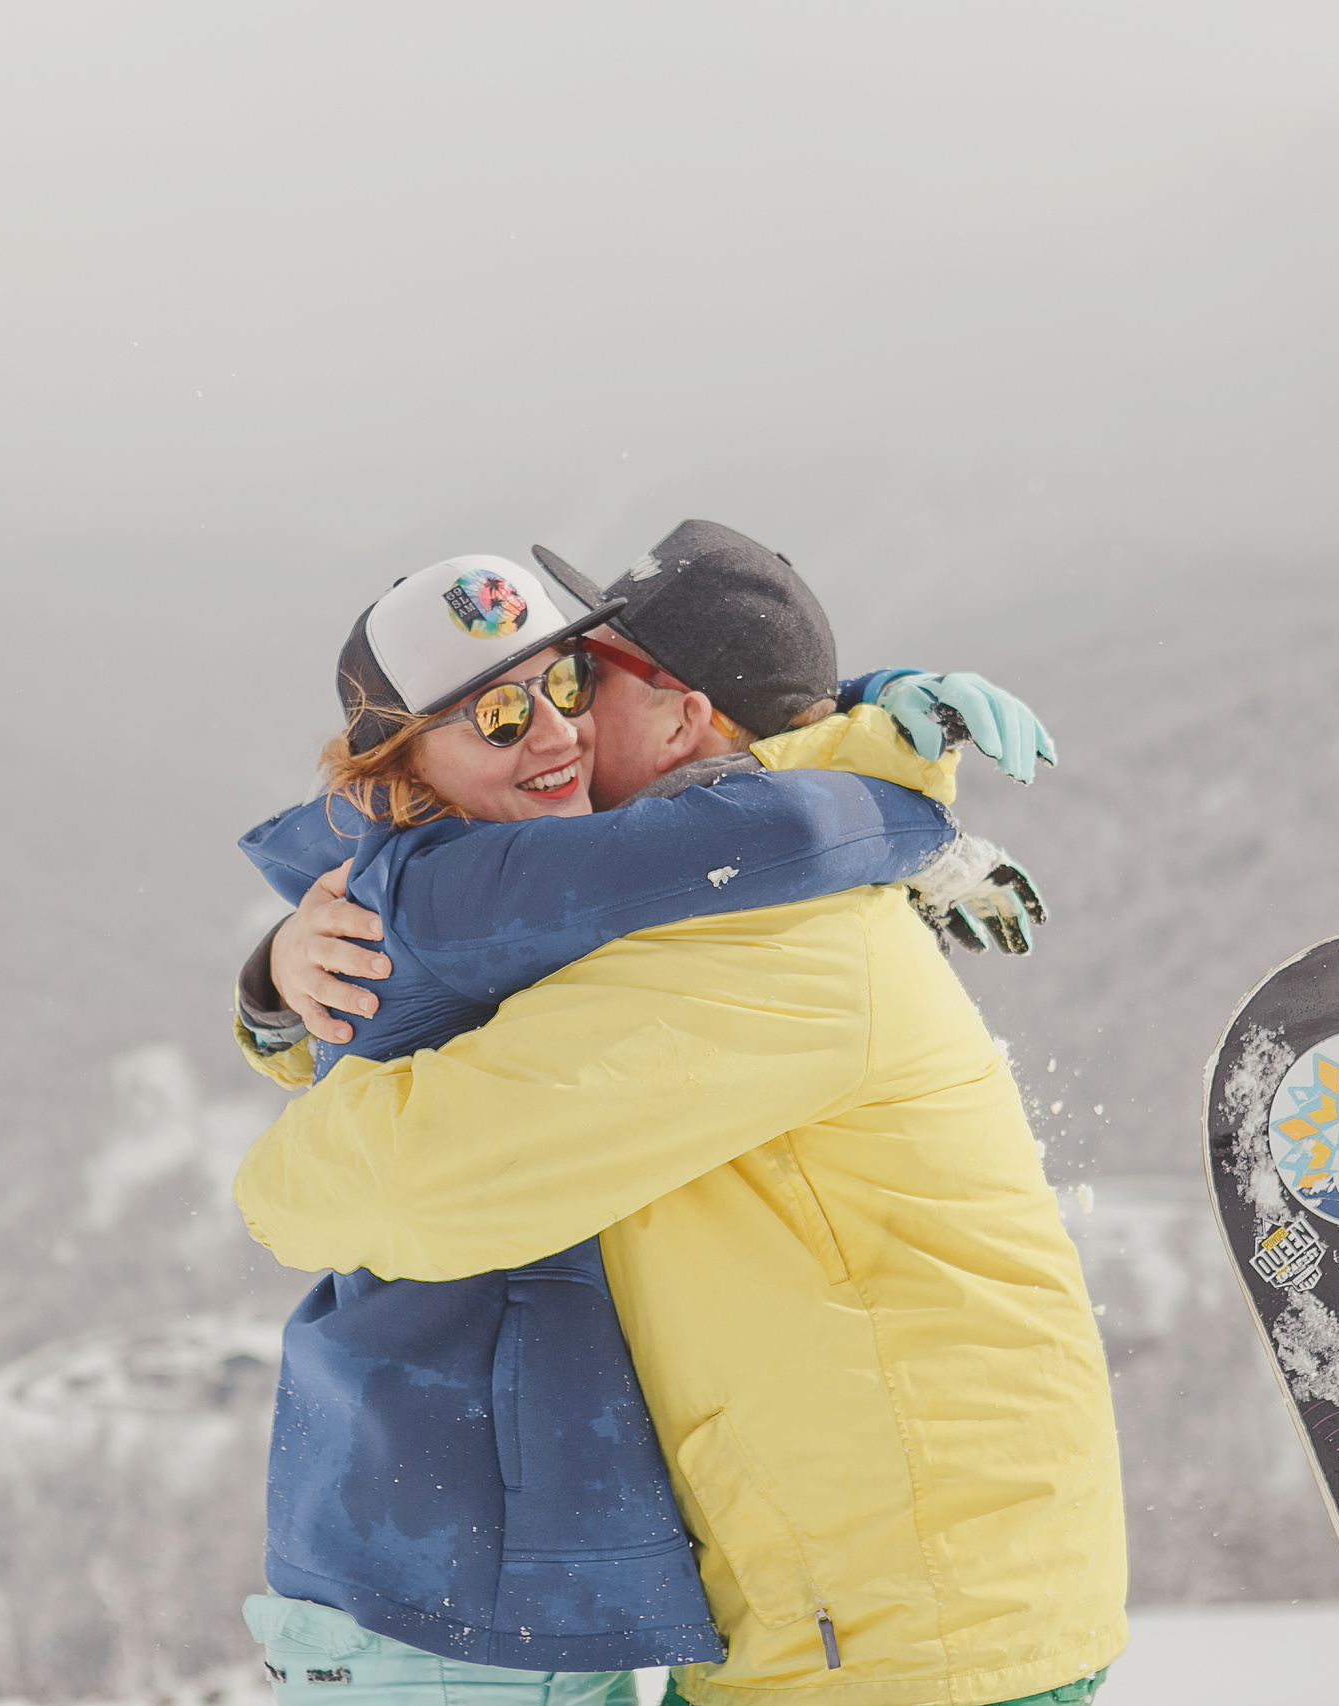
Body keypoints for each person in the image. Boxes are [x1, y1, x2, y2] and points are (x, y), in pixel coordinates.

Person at [237, 523, 1128, 1706]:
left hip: (904, 1636)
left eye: (573, 677)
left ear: (678, 714)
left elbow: (409, 1178)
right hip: (835, 1615)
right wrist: (275, 988)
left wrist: (280, 1164)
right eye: (505, 711)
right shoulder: (681, 903)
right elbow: (447, 913)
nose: (554, 724)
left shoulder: (758, 942)